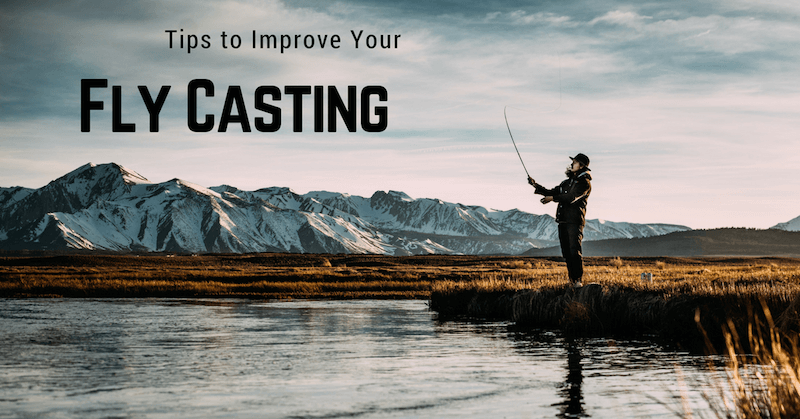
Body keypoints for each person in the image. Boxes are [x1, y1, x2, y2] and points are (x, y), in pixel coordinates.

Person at [528, 153, 592, 288]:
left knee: (574, 251)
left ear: (581, 165)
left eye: (574, 162)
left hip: (574, 221)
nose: (571, 164)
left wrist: (552, 198)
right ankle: (572, 281)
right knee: (567, 252)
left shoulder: (585, 183)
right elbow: (552, 192)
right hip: (563, 221)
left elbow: (571, 197)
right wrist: (535, 185)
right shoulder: (566, 183)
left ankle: (578, 281)